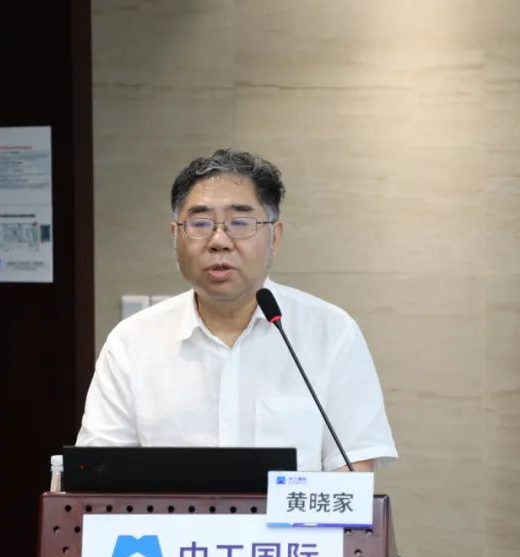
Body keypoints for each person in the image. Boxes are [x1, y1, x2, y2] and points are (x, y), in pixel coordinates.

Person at [76, 149, 396, 471]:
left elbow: (351, 475)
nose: (219, 241)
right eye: (200, 223)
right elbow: (98, 474)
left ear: (274, 238)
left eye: (240, 223)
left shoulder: (331, 332)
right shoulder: (132, 342)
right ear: (176, 237)